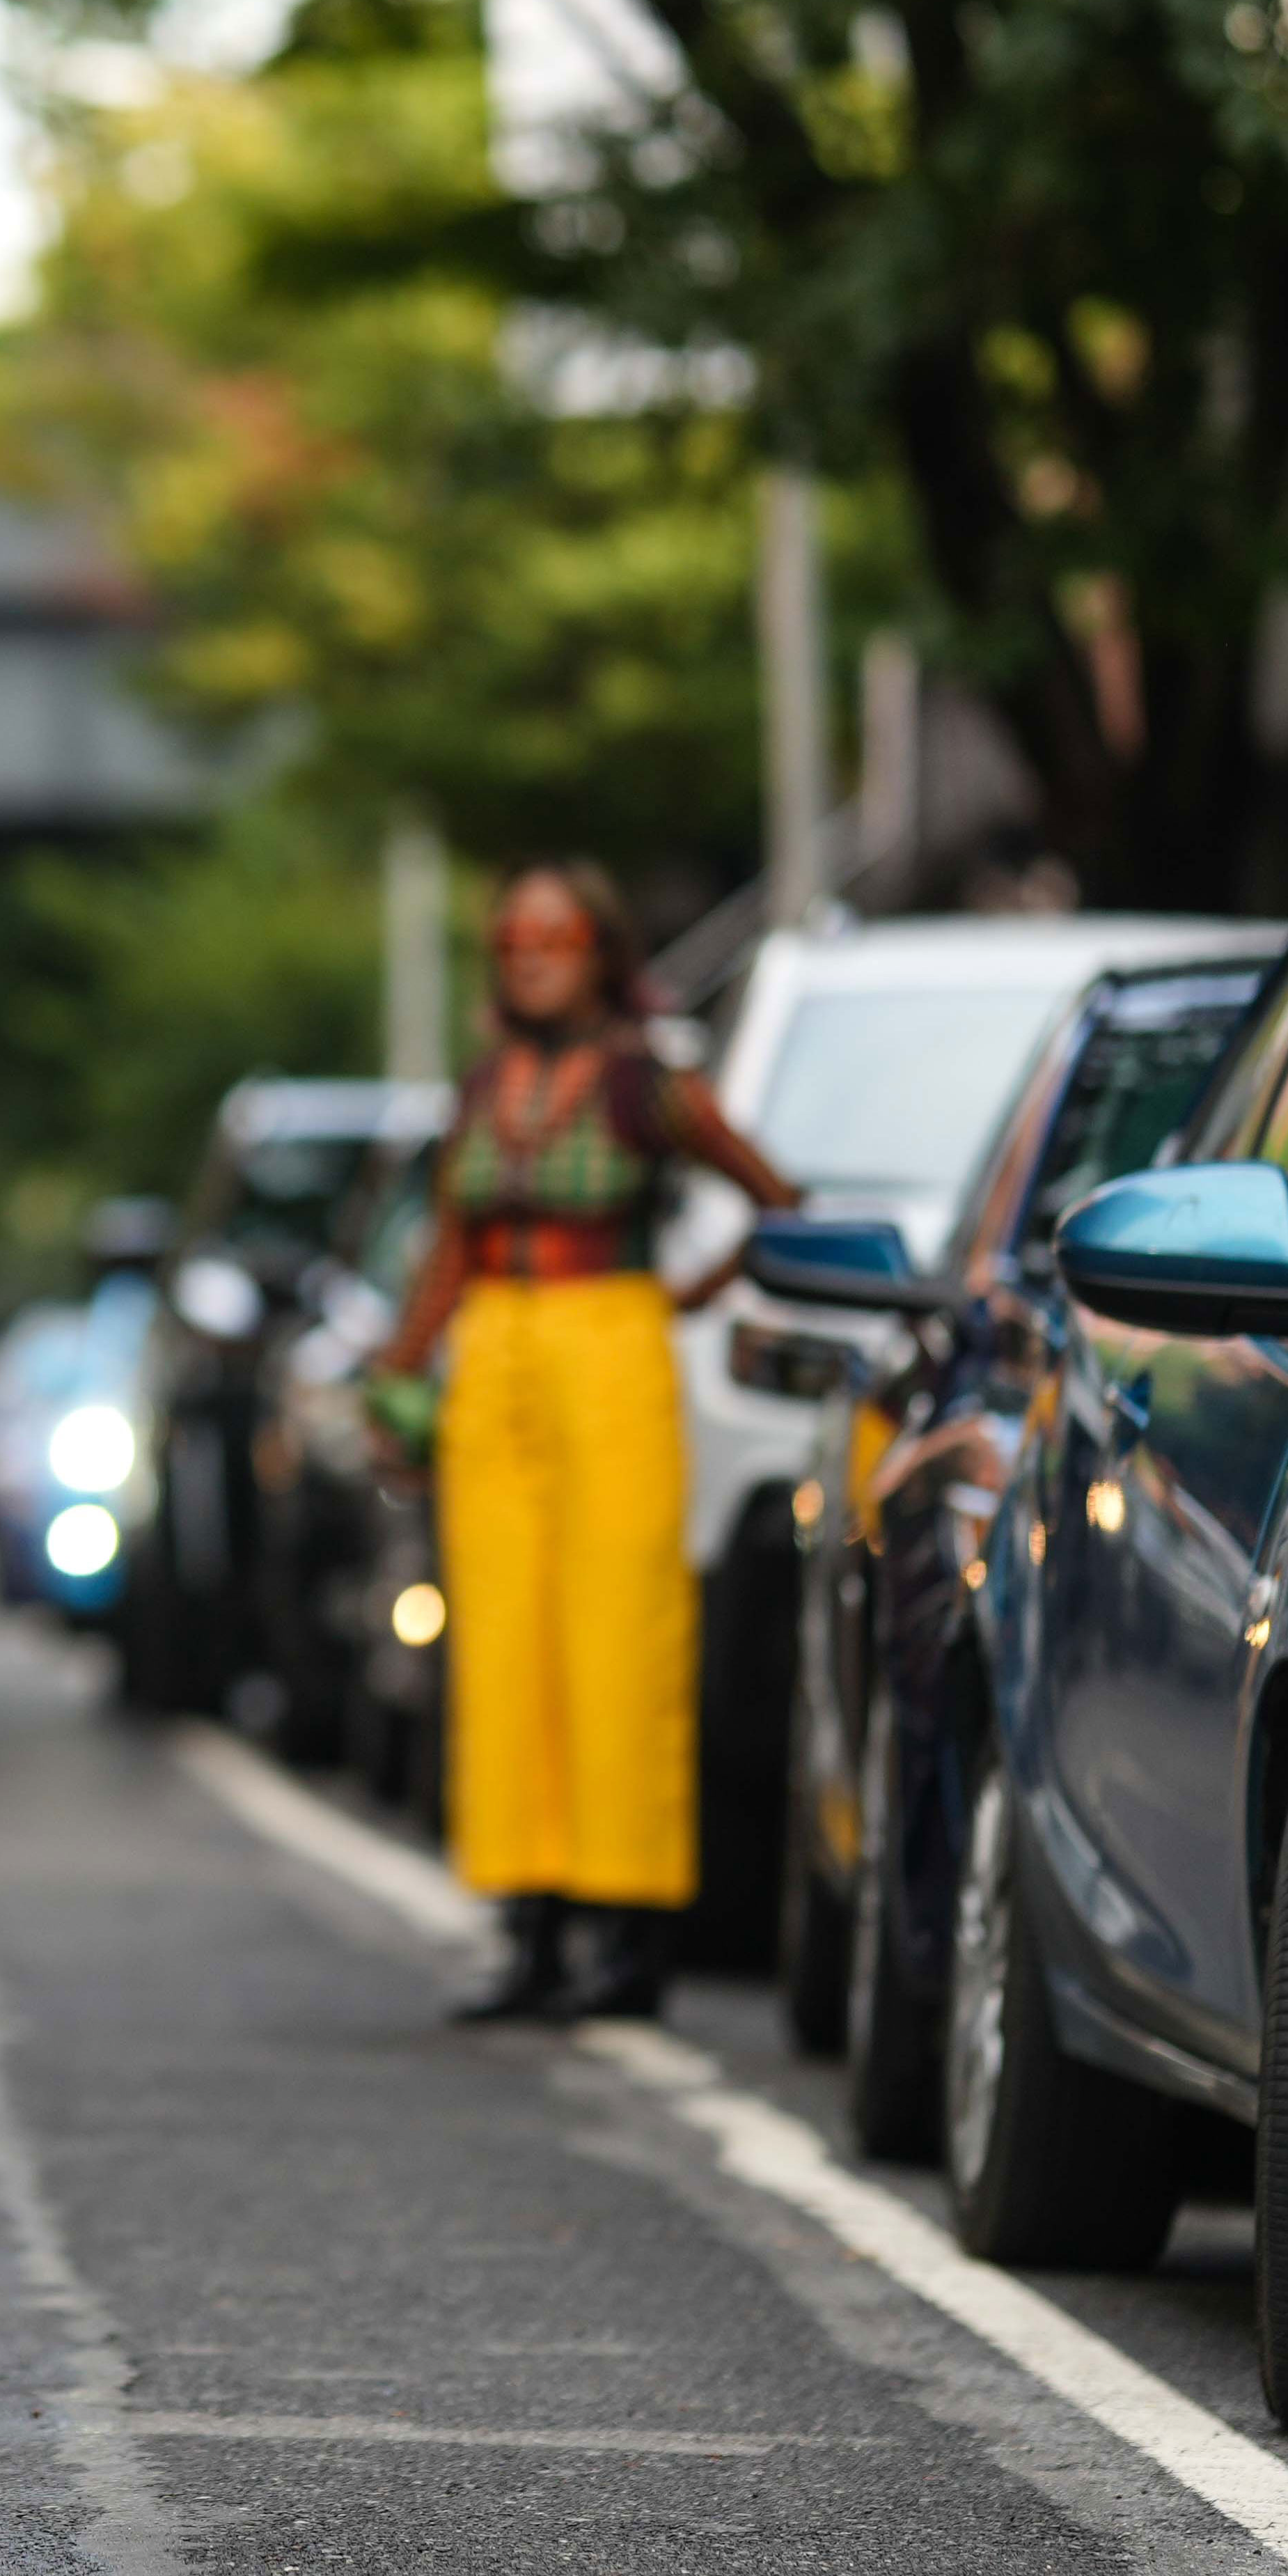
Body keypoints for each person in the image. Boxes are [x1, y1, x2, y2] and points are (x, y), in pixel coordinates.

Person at [374, 861, 797, 2024]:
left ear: (604, 953)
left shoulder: (648, 1085)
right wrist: (397, 1372)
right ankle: (532, 1930)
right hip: (495, 1361)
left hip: (611, 1346)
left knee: (618, 1642)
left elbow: (776, 1196)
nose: (532, 958)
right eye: (514, 941)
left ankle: (626, 1936)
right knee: (505, 1646)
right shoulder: (482, 1084)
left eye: (556, 939)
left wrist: (693, 1292)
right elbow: (452, 1245)